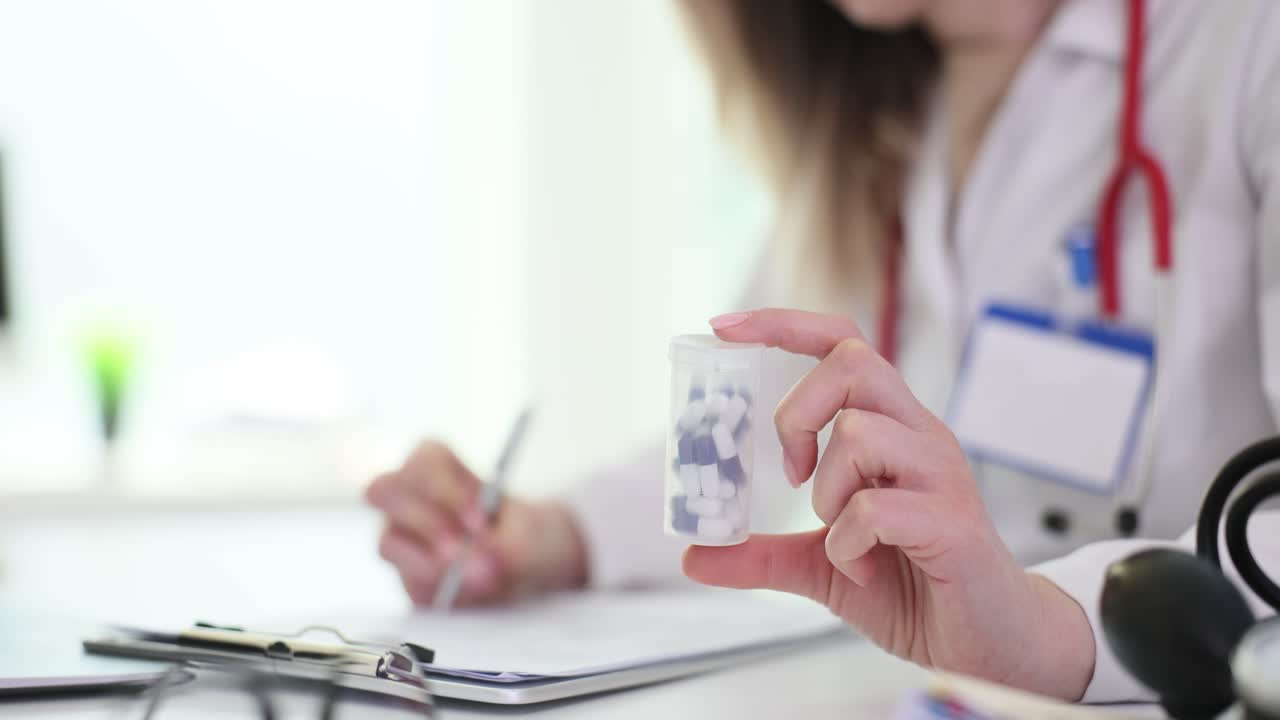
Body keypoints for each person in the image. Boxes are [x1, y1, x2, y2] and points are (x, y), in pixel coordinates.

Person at [366, 0, 1280, 702]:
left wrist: (1051, 629)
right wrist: (544, 536)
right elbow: (748, 433)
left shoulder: (1243, 46)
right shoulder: (875, 101)